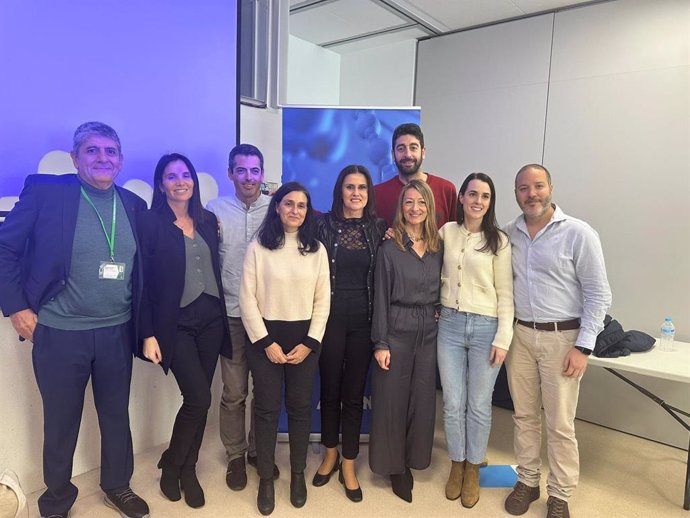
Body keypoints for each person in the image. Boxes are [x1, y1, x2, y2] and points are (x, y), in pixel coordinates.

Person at [0, 122, 150, 518]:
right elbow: (6, 247)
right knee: (61, 422)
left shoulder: (133, 205)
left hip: (117, 331)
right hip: (60, 333)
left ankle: (118, 485)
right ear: (75, 158)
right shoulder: (48, 194)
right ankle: (57, 500)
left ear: (120, 160)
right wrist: (17, 307)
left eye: (111, 151)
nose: (103, 158)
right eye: (92, 150)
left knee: (116, 416)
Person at [503, 164, 611, 518]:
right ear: (516, 193)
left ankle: (560, 494)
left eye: (537, 186)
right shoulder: (509, 234)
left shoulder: (578, 233)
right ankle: (528, 480)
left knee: (560, 422)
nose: (531, 194)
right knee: (524, 415)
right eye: (523, 188)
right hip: (520, 336)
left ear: (550, 187)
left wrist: (583, 346)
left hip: (562, 339)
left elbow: (598, 294)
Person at [137, 153, 230, 508]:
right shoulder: (149, 223)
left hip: (211, 321)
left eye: (185, 174)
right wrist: (148, 333)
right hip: (174, 325)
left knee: (199, 397)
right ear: (161, 185)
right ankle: (174, 464)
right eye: (171, 176)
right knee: (199, 398)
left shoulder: (207, 221)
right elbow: (141, 282)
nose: (180, 181)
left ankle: (185, 467)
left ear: (194, 181)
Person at [239, 182, 330, 516]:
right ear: (276, 207)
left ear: (308, 212)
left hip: (305, 338)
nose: (295, 210)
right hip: (265, 337)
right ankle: (265, 476)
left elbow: (323, 301)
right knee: (265, 409)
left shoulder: (316, 249)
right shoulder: (258, 248)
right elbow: (246, 298)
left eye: (301, 206)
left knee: (300, 409)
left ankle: (297, 475)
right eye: (288, 204)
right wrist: (265, 343)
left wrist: (310, 343)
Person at [437, 172, 514, 508]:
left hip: (486, 327)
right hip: (450, 326)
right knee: (453, 402)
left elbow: (507, 294)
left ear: (490, 202)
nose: (477, 201)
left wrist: (503, 338)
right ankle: (457, 463)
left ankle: (473, 466)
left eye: (484, 196)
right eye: (472, 194)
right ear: (462, 198)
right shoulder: (446, 233)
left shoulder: (499, 240)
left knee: (479, 405)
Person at [206, 143, 280, 490]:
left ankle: (257, 451)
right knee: (234, 392)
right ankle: (236, 456)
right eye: (241, 170)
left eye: (254, 170)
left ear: (262, 174)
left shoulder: (278, 208)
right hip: (233, 317)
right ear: (230, 173)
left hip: (270, 318)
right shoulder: (214, 210)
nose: (248, 177)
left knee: (264, 392)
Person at [312, 165, 386, 502]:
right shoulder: (321, 225)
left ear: (369, 193)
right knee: (329, 391)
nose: (355, 193)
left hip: (364, 323)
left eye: (362, 188)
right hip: (328, 321)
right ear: (339, 190)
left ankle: (349, 462)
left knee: (354, 395)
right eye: (349, 187)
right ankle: (329, 453)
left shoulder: (380, 228)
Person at [369, 179, 443, 503]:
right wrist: (380, 343)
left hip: (429, 328)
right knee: (392, 400)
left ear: (429, 207)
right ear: (401, 207)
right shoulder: (390, 247)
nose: (415, 208)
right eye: (409, 202)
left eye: (421, 202)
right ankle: (394, 466)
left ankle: (413, 459)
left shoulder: (439, 246)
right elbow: (380, 298)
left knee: (422, 400)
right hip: (396, 326)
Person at [374, 122, 457, 227]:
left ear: (423, 152)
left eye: (413, 148)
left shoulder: (446, 190)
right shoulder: (378, 194)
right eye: (401, 149)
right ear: (393, 155)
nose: (408, 154)